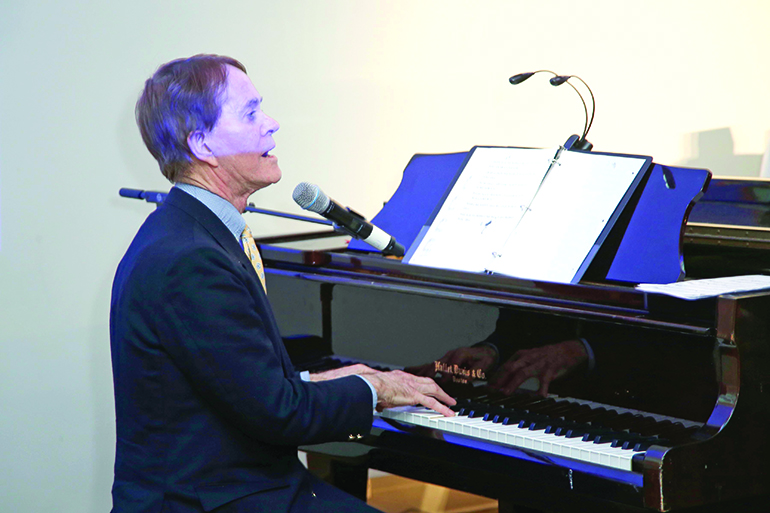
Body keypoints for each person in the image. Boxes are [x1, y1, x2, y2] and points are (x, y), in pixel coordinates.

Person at [110, 54, 455, 513]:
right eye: (251, 113)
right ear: (202, 145)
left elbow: (242, 386)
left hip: (240, 484)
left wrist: (326, 378)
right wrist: (379, 389)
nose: (271, 124)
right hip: (209, 500)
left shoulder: (190, 233)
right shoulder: (191, 260)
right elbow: (279, 413)